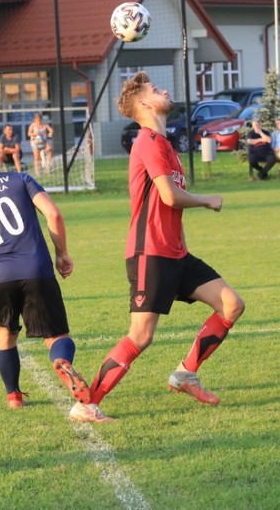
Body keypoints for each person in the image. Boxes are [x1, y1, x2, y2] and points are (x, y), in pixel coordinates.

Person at [75, 71, 245, 423]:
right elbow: (170, 196)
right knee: (141, 335)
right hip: (149, 252)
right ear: (143, 103)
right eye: (154, 89)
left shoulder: (165, 145)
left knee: (231, 304)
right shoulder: (148, 141)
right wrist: (206, 200)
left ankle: (185, 374)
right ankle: (87, 405)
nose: (164, 90)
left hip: (175, 253)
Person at [0, 138, 91, 411]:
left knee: (6, 333)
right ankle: (62, 362)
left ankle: (14, 396)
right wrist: (61, 253)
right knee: (56, 335)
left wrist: (2, 273)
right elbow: (53, 215)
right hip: (35, 269)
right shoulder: (20, 179)